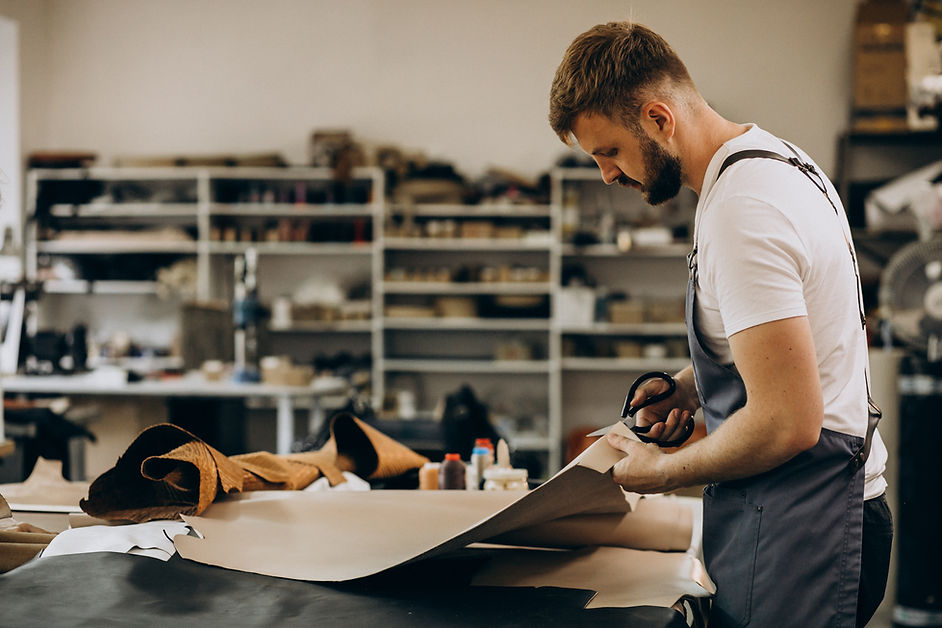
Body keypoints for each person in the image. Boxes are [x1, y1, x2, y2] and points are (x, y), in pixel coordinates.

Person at [549, 21, 893, 627]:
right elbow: (784, 335)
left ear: (658, 119)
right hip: (794, 511)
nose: (606, 174)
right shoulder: (771, 162)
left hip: (804, 523)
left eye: (609, 152)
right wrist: (685, 388)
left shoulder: (743, 208)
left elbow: (787, 423)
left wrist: (659, 473)